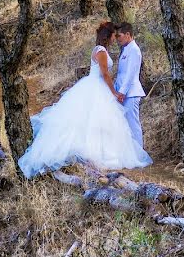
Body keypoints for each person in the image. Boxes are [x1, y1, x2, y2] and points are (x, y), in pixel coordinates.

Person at [17, 21, 152, 178]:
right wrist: (115, 92)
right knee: (93, 119)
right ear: (108, 36)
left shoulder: (122, 50)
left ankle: (128, 150)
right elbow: (105, 74)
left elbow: (126, 73)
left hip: (109, 88)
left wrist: (117, 91)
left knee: (111, 121)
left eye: (118, 36)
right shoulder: (101, 51)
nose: (116, 38)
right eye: (114, 36)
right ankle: (97, 153)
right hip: (97, 87)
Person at [114, 22, 146, 148]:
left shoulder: (134, 50)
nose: (117, 39)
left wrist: (122, 91)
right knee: (126, 124)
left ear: (128, 34)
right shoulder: (125, 49)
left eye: (119, 36)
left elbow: (131, 74)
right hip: (123, 92)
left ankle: (139, 152)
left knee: (133, 124)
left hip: (131, 93)